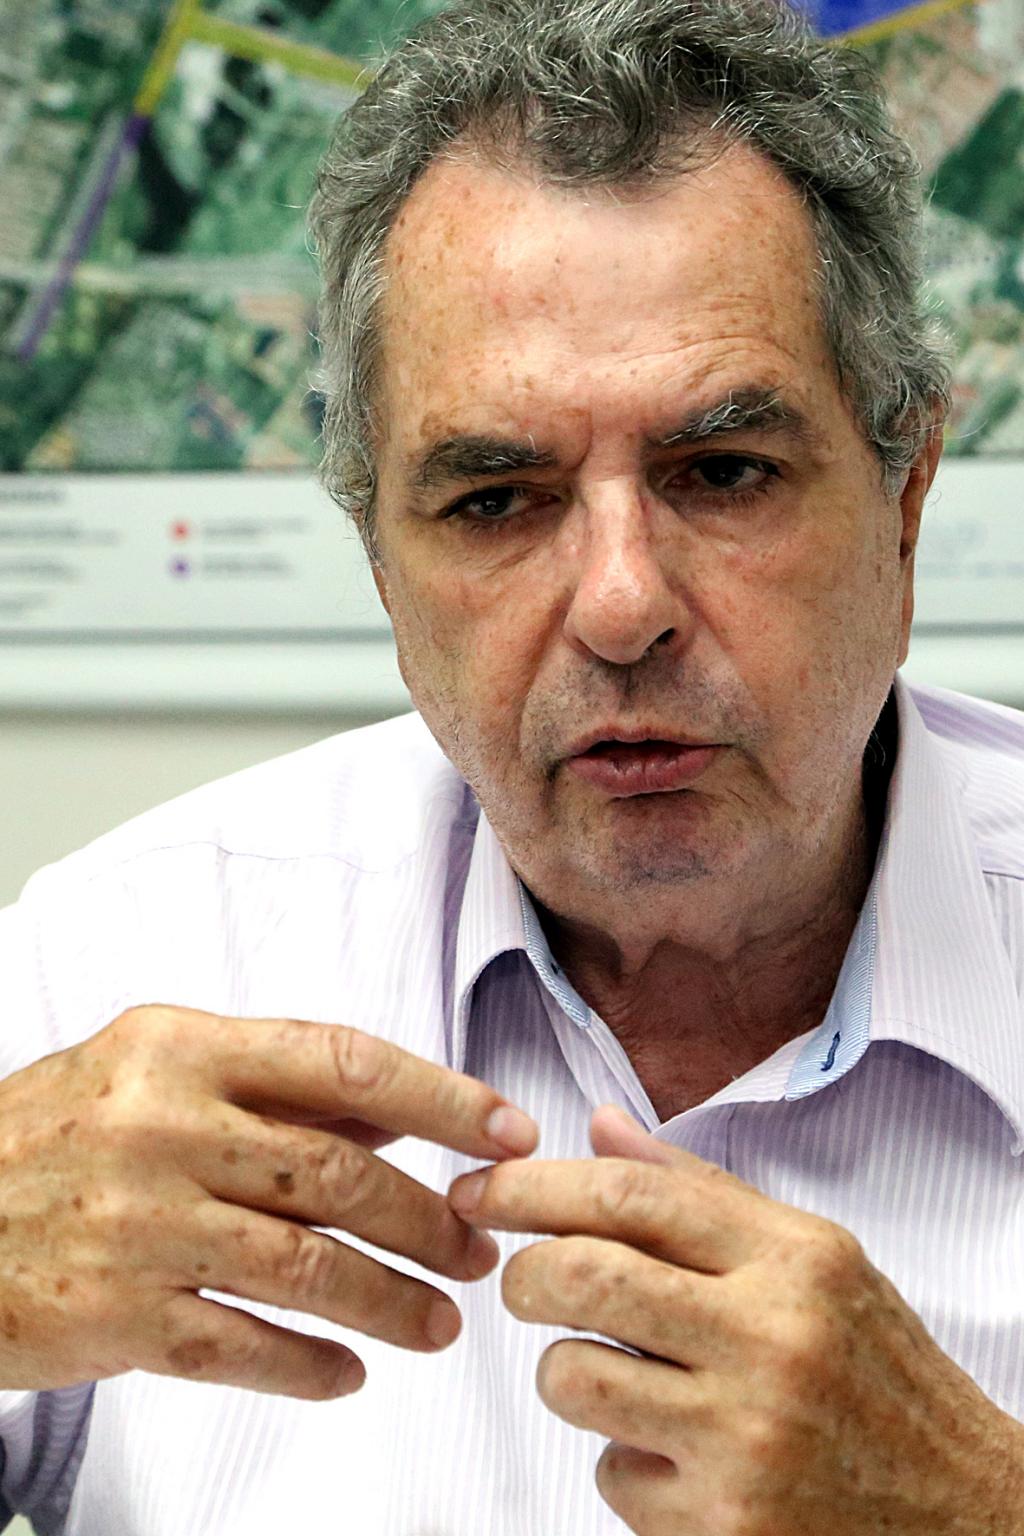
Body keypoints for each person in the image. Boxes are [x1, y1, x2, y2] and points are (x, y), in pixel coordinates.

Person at [2, 0, 1024, 1530]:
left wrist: (983, 1504)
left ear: (906, 497)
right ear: (381, 564)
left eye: (723, 472)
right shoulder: (121, 968)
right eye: (495, 500)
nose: (621, 605)